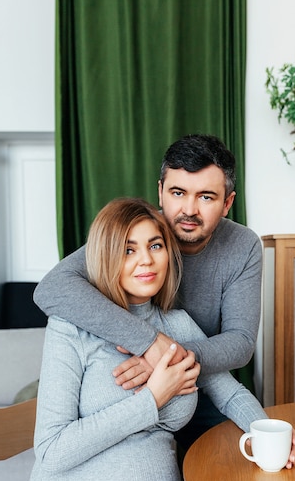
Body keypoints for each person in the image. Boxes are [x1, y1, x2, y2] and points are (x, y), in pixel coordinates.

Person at [14, 198, 276, 481]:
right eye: (128, 249)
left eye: (155, 245)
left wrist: (270, 434)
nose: (146, 261)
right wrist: (152, 399)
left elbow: (230, 394)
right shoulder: (70, 328)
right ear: (104, 257)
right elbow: (52, 451)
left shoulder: (177, 324)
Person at [34, 135, 266, 450]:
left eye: (206, 197)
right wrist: (149, 342)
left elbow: (240, 343)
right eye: (178, 193)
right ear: (160, 192)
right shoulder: (136, 230)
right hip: (132, 405)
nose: (189, 209)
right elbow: (51, 288)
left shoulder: (243, 246)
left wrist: (165, 360)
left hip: (206, 390)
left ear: (227, 203)